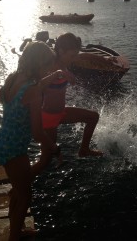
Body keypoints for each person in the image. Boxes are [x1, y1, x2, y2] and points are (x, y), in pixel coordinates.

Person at [0, 41, 63, 241]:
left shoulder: (13, 78)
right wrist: (55, 148)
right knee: (25, 196)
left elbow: (3, 94)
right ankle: (14, 236)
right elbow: (37, 132)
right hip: (16, 149)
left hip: (3, 141)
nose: (51, 67)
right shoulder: (34, 91)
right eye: (48, 64)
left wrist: (53, 77)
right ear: (38, 64)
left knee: (18, 189)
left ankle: (15, 224)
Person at [35, 32, 103, 173]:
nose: (74, 58)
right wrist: (59, 73)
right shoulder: (50, 66)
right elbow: (38, 85)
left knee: (93, 117)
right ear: (61, 51)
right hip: (48, 118)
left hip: (61, 113)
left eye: (75, 55)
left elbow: (83, 56)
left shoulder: (65, 62)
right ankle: (17, 187)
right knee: (45, 160)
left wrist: (104, 60)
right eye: (72, 55)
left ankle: (84, 149)